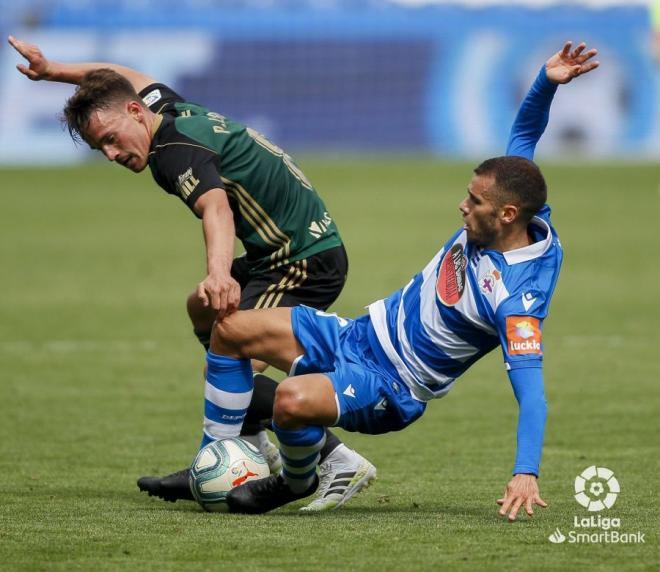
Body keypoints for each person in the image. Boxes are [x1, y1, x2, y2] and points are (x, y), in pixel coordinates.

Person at [177, 41, 599, 518]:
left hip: (390, 384)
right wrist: (546, 81)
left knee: (290, 402)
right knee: (229, 330)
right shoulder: (520, 206)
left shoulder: (517, 298)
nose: (462, 206)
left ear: (505, 215)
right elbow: (524, 134)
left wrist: (526, 471)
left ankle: (296, 481)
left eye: (474, 202)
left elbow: (532, 393)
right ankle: (211, 461)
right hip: (359, 333)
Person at [8, 35, 376, 511]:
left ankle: (330, 458)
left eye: (111, 139)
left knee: (223, 357)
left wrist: (220, 273)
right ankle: (245, 445)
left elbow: (216, 209)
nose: (112, 155)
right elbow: (124, 75)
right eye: (100, 148)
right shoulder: (164, 108)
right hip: (282, 252)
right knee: (201, 311)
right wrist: (53, 71)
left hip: (300, 259)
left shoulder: (174, 150)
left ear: (136, 114)